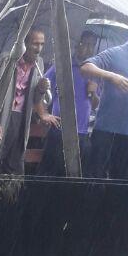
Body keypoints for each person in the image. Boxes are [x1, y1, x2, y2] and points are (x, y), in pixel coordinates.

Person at [81, 16, 128, 180]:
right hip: (106, 130)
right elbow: (85, 67)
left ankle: (113, 207)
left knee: (121, 182)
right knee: (94, 179)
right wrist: (111, 77)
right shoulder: (115, 53)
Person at [35, 29, 99, 176]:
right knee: (49, 175)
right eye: (85, 44)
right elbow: (39, 88)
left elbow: (95, 105)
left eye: (92, 45)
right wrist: (44, 113)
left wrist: (94, 92)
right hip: (59, 130)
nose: (89, 49)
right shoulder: (63, 66)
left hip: (82, 133)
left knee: (73, 178)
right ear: (78, 45)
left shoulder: (95, 72)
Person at [0, 28, 46, 176]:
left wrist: (40, 90)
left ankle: (7, 197)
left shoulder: (39, 64)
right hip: (3, 116)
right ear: (25, 43)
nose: (39, 49)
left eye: (42, 44)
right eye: (35, 44)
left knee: (14, 165)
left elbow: (35, 100)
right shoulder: (7, 60)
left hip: (21, 118)